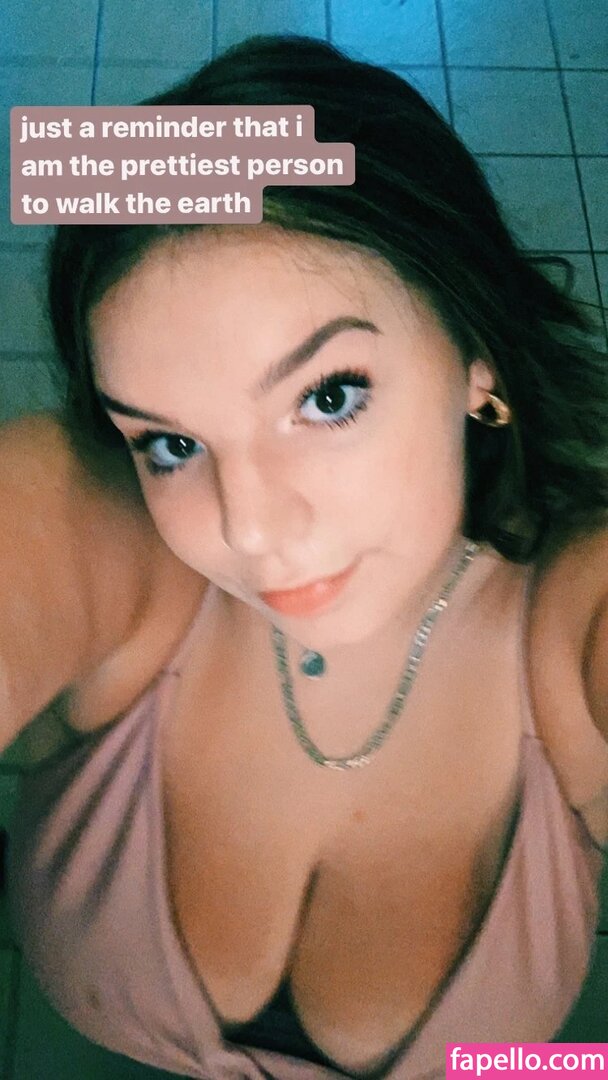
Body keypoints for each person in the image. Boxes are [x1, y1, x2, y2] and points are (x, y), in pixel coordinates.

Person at [3, 32, 608, 1080]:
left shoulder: (571, 617)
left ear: (476, 355)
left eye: (327, 397)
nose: (247, 530)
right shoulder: (121, 545)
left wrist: (552, 1070)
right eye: (170, 444)